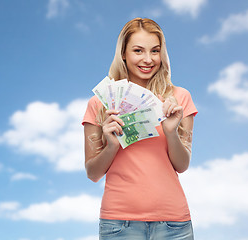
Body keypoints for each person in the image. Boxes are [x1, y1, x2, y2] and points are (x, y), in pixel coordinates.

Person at [82, 18, 198, 240]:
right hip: (119, 225)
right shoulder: (99, 104)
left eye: (155, 51)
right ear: (123, 54)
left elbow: (182, 165)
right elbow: (93, 173)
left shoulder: (179, 98)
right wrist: (111, 146)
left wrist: (171, 132)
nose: (148, 59)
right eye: (138, 50)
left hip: (174, 224)